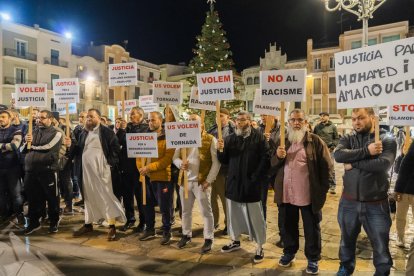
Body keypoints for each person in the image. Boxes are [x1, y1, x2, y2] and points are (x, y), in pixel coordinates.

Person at [334, 107, 397, 276]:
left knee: (381, 245)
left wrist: (353, 163)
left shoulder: (386, 139)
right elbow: (338, 155)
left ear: (372, 117)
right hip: (348, 202)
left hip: (376, 204)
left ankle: (382, 272)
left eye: (360, 118)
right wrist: (366, 152)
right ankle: (345, 268)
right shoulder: (348, 138)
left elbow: (383, 164)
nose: (356, 122)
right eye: (354, 119)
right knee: (346, 241)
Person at [271, 109, 331, 274]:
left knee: (311, 228)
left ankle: (312, 258)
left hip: (307, 194)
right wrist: (278, 156)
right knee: (287, 226)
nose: (296, 123)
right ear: (288, 122)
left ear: (306, 122)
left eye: (299, 120)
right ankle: (289, 252)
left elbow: (327, 167)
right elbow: (272, 165)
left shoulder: (315, 141)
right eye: (293, 120)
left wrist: (322, 190)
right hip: (286, 194)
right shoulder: (283, 141)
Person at [218, 110, 270, 263]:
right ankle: (235, 240)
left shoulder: (258, 137)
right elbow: (224, 160)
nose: (239, 123)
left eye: (243, 120)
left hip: (251, 184)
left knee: (256, 216)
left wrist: (255, 177)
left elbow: (265, 158)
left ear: (249, 120)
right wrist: (220, 149)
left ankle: (260, 245)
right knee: (234, 215)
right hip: (234, 183)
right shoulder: (230, 139)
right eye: (238, 120)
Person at [72, 108, 126, 241]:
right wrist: (71, 144)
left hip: (102, 171)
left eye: (91, 116)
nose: (88, 119)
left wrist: (109, 164)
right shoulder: (83, 132)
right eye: (87, 117)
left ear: (98, 117)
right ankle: (88, 224)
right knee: (88, 197)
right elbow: (79, 149)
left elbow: (115, 149)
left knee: (105, 196)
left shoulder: (107, 132)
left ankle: (112, 226)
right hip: (86, 171)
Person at [173, 114, 220, 253]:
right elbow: (175, 157)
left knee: (206, 211)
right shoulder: (182, 137)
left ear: (201, 125)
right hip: (185, 181)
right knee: (185, 211)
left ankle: (208, 238)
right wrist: (180, 164)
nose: (191, 124)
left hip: (201, 182)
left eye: (195, 122)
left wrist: (208, 180)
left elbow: (216, 162)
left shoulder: (210, 139)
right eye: (189, 121)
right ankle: (186, 235)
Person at [137, 111, 175, 245]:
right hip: (145, 177)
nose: (150, 123)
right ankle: (150, 229)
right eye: (148, 120)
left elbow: (167, 159)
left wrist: (149, 167)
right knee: (146, 204)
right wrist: (141, 168)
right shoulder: (145, 136)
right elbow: (138, 154)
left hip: (162, 177)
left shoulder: (168, 138)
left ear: (161, 120)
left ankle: (166, 231)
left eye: (153, 120)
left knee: (165, 206)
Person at [22, 110, 63, 235]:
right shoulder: (32, 131)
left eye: (43, 118)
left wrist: (32, 146)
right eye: (38, 118)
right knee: (33, 198)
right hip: (31, 170)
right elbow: (22, 149)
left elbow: (48, 147)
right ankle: (34, 222)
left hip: (48, 170)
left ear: (50, 119)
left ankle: (53, 221)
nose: (39, 120)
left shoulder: (57, 132)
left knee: (52, 198)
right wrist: (25, 141)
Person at [118, 107, 148, 232]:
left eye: (133, 114)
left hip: (138, 168)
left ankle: (143, 221)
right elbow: (119, 141)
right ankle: (130, 219)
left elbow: (133, 142)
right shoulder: (128, 127)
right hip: (126, 167)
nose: (130, 116)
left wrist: (127, 132)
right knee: (127, 196)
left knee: (140, 197)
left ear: (140, 115)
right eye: (130, 114)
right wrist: (122, 129)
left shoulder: (146, 128)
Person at [208, 108, 235, 235]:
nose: (218, 118)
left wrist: (224, 148)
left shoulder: (233, 131)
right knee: (211, 199)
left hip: (224, 170)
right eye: (216, 116)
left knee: (225, 200)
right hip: (211, 170)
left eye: (222, 116)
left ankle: (228, 224)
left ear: (228, 117)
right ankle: (214, 222)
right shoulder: (212, 130)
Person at [0, 110, 24, 224]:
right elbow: (9, 146)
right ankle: (5, 214)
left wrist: (1, 146)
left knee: (16, 194)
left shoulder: (17, 130)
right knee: (1, 193)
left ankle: (20, 215)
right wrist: (5, 146)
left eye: (3, 117)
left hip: (12, 167)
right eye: (0, 117)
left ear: (10, 119)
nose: (1, 119)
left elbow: (15, 145)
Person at [394, 140, 414, 275]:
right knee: (401, 217)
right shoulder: (403, 157)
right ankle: (400, 237)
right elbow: (404, 166)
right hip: (406, 190)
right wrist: (398, 189)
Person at [313, 112, 339, 194]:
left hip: (329, 150)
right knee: (318, 167)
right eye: (320, 116)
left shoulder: (333, 127)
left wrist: (333, 147)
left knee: (330, 167)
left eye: (324, 116)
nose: (322, 117)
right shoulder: (317, 127)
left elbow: (336, 138)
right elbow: (314, 137)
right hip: (319, 150)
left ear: (328, 117)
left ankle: (332, 186)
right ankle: (321, 185)